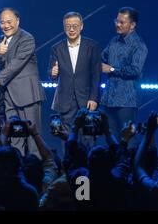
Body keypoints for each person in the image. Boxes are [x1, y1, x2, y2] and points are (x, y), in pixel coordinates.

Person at [0, 8, 45, 157]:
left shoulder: (27, 38)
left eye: (9, 22)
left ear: (18, 21)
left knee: (32, 138)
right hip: (8, 96)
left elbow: (16, 64)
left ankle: (35, 172)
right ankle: (16, 171)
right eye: (2, 22)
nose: (6, 25)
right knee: (15, 137)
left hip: (27, 95)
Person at [100, 7, 148, 138]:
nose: (118, 24)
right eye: (117, 21)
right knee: (110, 138)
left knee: (127, 139)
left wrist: (111, 69)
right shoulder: (114, 41)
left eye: (122, 22)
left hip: (126, 101)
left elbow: (135, 70)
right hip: (108, 99)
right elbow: (101, 57)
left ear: (132, 25)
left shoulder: (139, 45)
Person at [49, 11, 101, 129]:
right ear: (64, 28)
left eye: (75, 26)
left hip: (86, 100)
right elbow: (52, 73)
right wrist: (52, 73)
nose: (71, 29)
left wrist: (93, 98)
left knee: (87, 138)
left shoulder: (92, 46)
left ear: (81, 26)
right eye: (68, 26)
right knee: (66, 139)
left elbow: (96, 75)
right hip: (65, 101)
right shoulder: (56, 48)